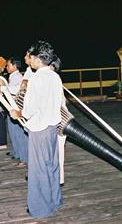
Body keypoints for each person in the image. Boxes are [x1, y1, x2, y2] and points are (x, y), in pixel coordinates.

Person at [10, 40, 63, 218]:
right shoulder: (55, 77)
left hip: (39, 129)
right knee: (52, 166)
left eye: (31, 57)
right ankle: (55, 201)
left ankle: (41, 209)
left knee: (39, 169)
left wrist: (19, 113)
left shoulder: (37, 78)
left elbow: (30, 109)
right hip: (52, 127)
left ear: (38, 59)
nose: (29, 61)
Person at [6, 57, 28, 166]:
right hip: (11, 107)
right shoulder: (12, 76)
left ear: (14, 66)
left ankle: (24, 157)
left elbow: (16, 89)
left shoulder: (19, 77)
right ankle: (17, 153)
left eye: (8, 65)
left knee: (19, 133)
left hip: (17, 107)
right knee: (12, 131)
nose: (6, 67)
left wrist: (4, 87)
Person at [50, 56, 66, 186]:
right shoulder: (52, 79)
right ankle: (55, 177)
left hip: (60, 119)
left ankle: (59, 178)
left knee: (59, 150)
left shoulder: (54, 79)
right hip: (55, 119)